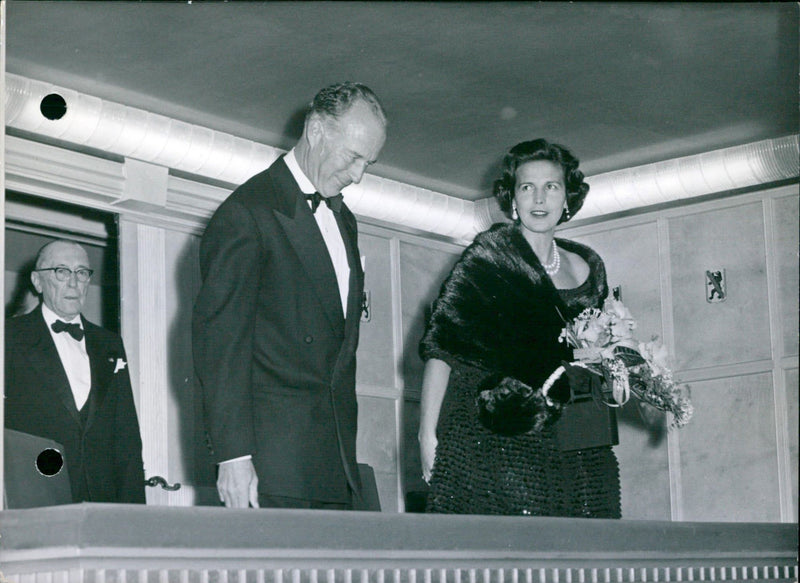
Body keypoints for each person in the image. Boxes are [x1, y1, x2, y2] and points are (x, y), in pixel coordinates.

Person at [192, 82, 387, 510]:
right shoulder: (247, 212)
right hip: (272, 468)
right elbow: (220, 345)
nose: (358, 175)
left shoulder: (344, 220)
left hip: (335, 466)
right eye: (353, 157)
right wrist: (233, 457)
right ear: (316, 130)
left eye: (368, 163)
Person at [418, 139, 621, 517]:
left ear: (568, 197)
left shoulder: (589, 267)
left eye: (552, 187)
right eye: (527, 187)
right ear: (513, 198)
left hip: (577, 443)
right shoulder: (489, 256)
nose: (539, 199)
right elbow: (441, 349)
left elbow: (599, 359)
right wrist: (426, 435)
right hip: (497, 439)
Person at [5, 239, 146, 503]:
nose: (74, 283)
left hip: (104, 502)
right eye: (62, 271)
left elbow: (126, 434)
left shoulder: (109, 344)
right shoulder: (10, 336)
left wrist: (133, 514)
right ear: (37, 282)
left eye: (82, 273)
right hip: (35, 497)